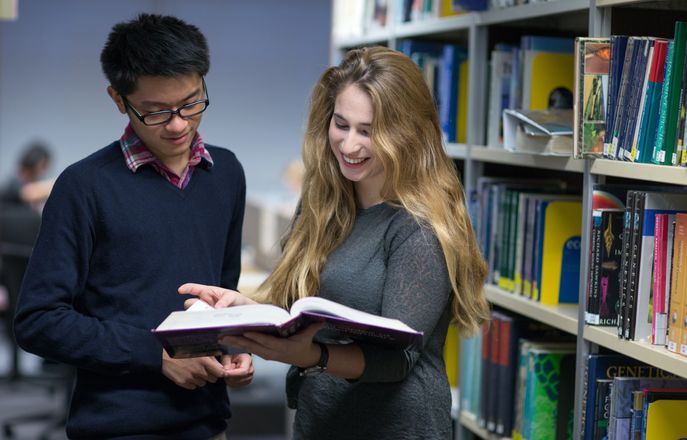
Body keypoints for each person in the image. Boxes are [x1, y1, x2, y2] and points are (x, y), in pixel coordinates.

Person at [180, 46, 491, 439]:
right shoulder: (323, 205)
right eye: (341, 125)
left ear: (406, 134)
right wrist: (247, 311)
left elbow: (398, 361)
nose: (349, 145)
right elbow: (302, 310)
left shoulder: (420, 228)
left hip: (396, 428)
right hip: (321, 420)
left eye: (369, 131)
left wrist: (313, 356)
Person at [14, 14, 253, 439]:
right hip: (119, 426)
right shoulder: (84, 186)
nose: (178, 123)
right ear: (118, 98)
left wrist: (233, 348)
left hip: (208, 420)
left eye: (192, 102)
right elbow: (39, 320)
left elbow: (221, 297)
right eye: (155, 111)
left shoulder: (227, 173)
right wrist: (156, 356)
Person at [0, 141, 55, 210]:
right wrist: (61, 183)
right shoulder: (15, 182)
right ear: (32, 162)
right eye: (43, 166)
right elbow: (30, 193)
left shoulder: (30, 183)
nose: (45, 171)